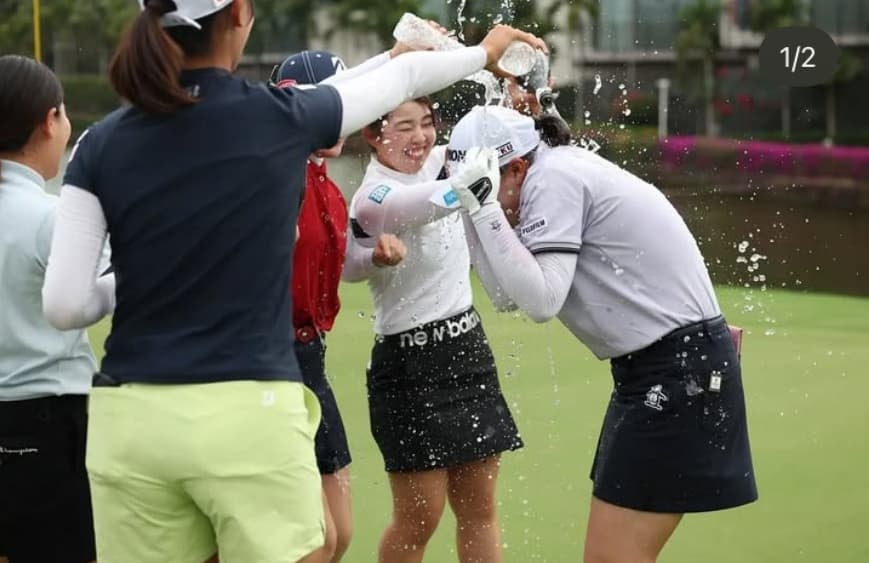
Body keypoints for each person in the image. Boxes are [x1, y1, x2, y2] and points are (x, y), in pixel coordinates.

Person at [39, 0, 545, 561]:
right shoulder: (276, 117)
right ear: (239, 15)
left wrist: (147, 270)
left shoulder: (99, 144)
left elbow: (65, 306)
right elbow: (392, 82)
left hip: (129, 422)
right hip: (245, 408)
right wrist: (485, 51)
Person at [445, 105, 758, 563]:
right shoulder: (548, 168)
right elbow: (504, 293)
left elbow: (541, 301)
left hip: (677, 370)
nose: (490, 197)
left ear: (515, 167)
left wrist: (487, 207)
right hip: (658, 371)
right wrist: (478, 208)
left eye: (488, 184)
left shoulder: (554, 180)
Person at [343, 96, 523, 563]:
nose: (420, 137)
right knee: (421, 517)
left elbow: (492, 144)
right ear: (372, 134)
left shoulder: (446, 161)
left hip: (466, 349)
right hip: (408, 365)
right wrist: (376, 256)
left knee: (479, 508)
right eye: (404, 127)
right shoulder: (373, 196)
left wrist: (514, 106)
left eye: (427, 124)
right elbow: (420, 205)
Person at [271, 48, 408, 562]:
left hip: (312, 362)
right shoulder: (275, 177)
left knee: (340, 534)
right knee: (314, 539)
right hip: (270, 364)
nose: (349, 116)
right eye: (341, 102)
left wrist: (373, 255)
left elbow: (338, 263)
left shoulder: (326, 187)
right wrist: (396, 57)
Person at [0, 55, 102, 563]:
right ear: (47, 121)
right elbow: (106, 289)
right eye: (62, 116)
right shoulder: (51, 216)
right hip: (48, 422)